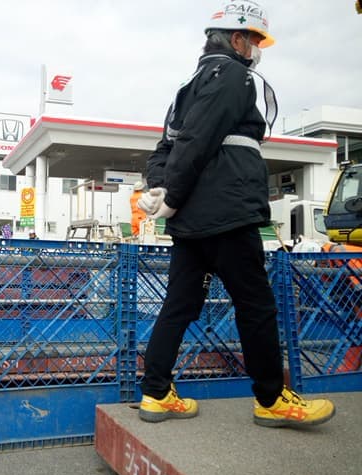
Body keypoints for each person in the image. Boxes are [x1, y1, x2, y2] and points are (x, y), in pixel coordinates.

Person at [137, 0, 335, 428]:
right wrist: (170, 194)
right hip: (228, 214)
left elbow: (165, 148)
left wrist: (159, 189)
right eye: (256, 41)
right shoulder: (232, 76)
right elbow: (197, 142)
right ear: (238, 39)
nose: (258, 50)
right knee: (255, 305)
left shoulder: (187, 87)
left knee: (179, 305)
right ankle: (271, 399)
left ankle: (155, 393)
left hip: (191, 224)